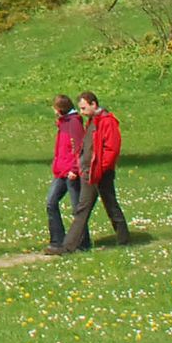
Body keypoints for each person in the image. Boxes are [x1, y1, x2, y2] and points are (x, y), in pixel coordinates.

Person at [57, 90, 129, 254]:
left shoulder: (107, 122)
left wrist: (101, 168)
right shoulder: (92, 121)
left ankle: (124, 240)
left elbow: (112, 148)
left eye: (83, 108)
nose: (81, 112)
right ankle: (69, 246)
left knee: (108, 206)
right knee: (85, 208)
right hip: (89, 172)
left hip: (100, 172)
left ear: (93, 104)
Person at [43, 94, 84, 255]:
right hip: (61, 171)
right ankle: (57, 241)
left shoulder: (73, 123)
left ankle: (82, 242)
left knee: (77, 209)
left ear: (59, 109)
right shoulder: (63, 123)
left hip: (71, 173)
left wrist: (75, 169)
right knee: (51, 203)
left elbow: (79, 148)